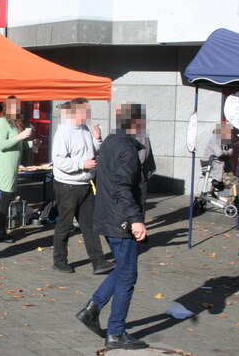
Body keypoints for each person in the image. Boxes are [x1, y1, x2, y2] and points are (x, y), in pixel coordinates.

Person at [75, 103, 149, 350]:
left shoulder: (109, 142)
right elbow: (121, 186)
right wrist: (135, 219)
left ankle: (93, 308)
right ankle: (116, 331)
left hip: (107, 216)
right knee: (128, 275)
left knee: (123, 269)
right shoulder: (126, 149)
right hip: (120, 220)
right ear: (135, 124)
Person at [51, 98, 113, 275]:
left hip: (85, 183)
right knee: (65, 224)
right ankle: (59, 260)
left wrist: (98, 140)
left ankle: (98, 261)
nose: (88, 114)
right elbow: (59, 160)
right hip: (68, 185)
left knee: (90, 224)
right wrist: (81, 164)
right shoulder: (64, 132)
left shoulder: (84, 129)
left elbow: (91, 151)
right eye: (85, 111)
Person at [0, 96, 32, 243]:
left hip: (13, 166)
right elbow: (2, 145)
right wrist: (20, 137)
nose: (19, 108)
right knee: (6, 197)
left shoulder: (15, 123)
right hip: (5, 167)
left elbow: (17, 145)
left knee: (7, 197)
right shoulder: (2, 122)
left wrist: (31, 144)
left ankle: (0, 229)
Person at [201, 122, 234, 188]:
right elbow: (219, 153)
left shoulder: (224, 140)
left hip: (220, 167)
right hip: (212, 166)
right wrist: (227, 152)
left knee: (235, 181)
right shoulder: (215, 139)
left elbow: (231, 150)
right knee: (233, 183)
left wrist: (228, 152)